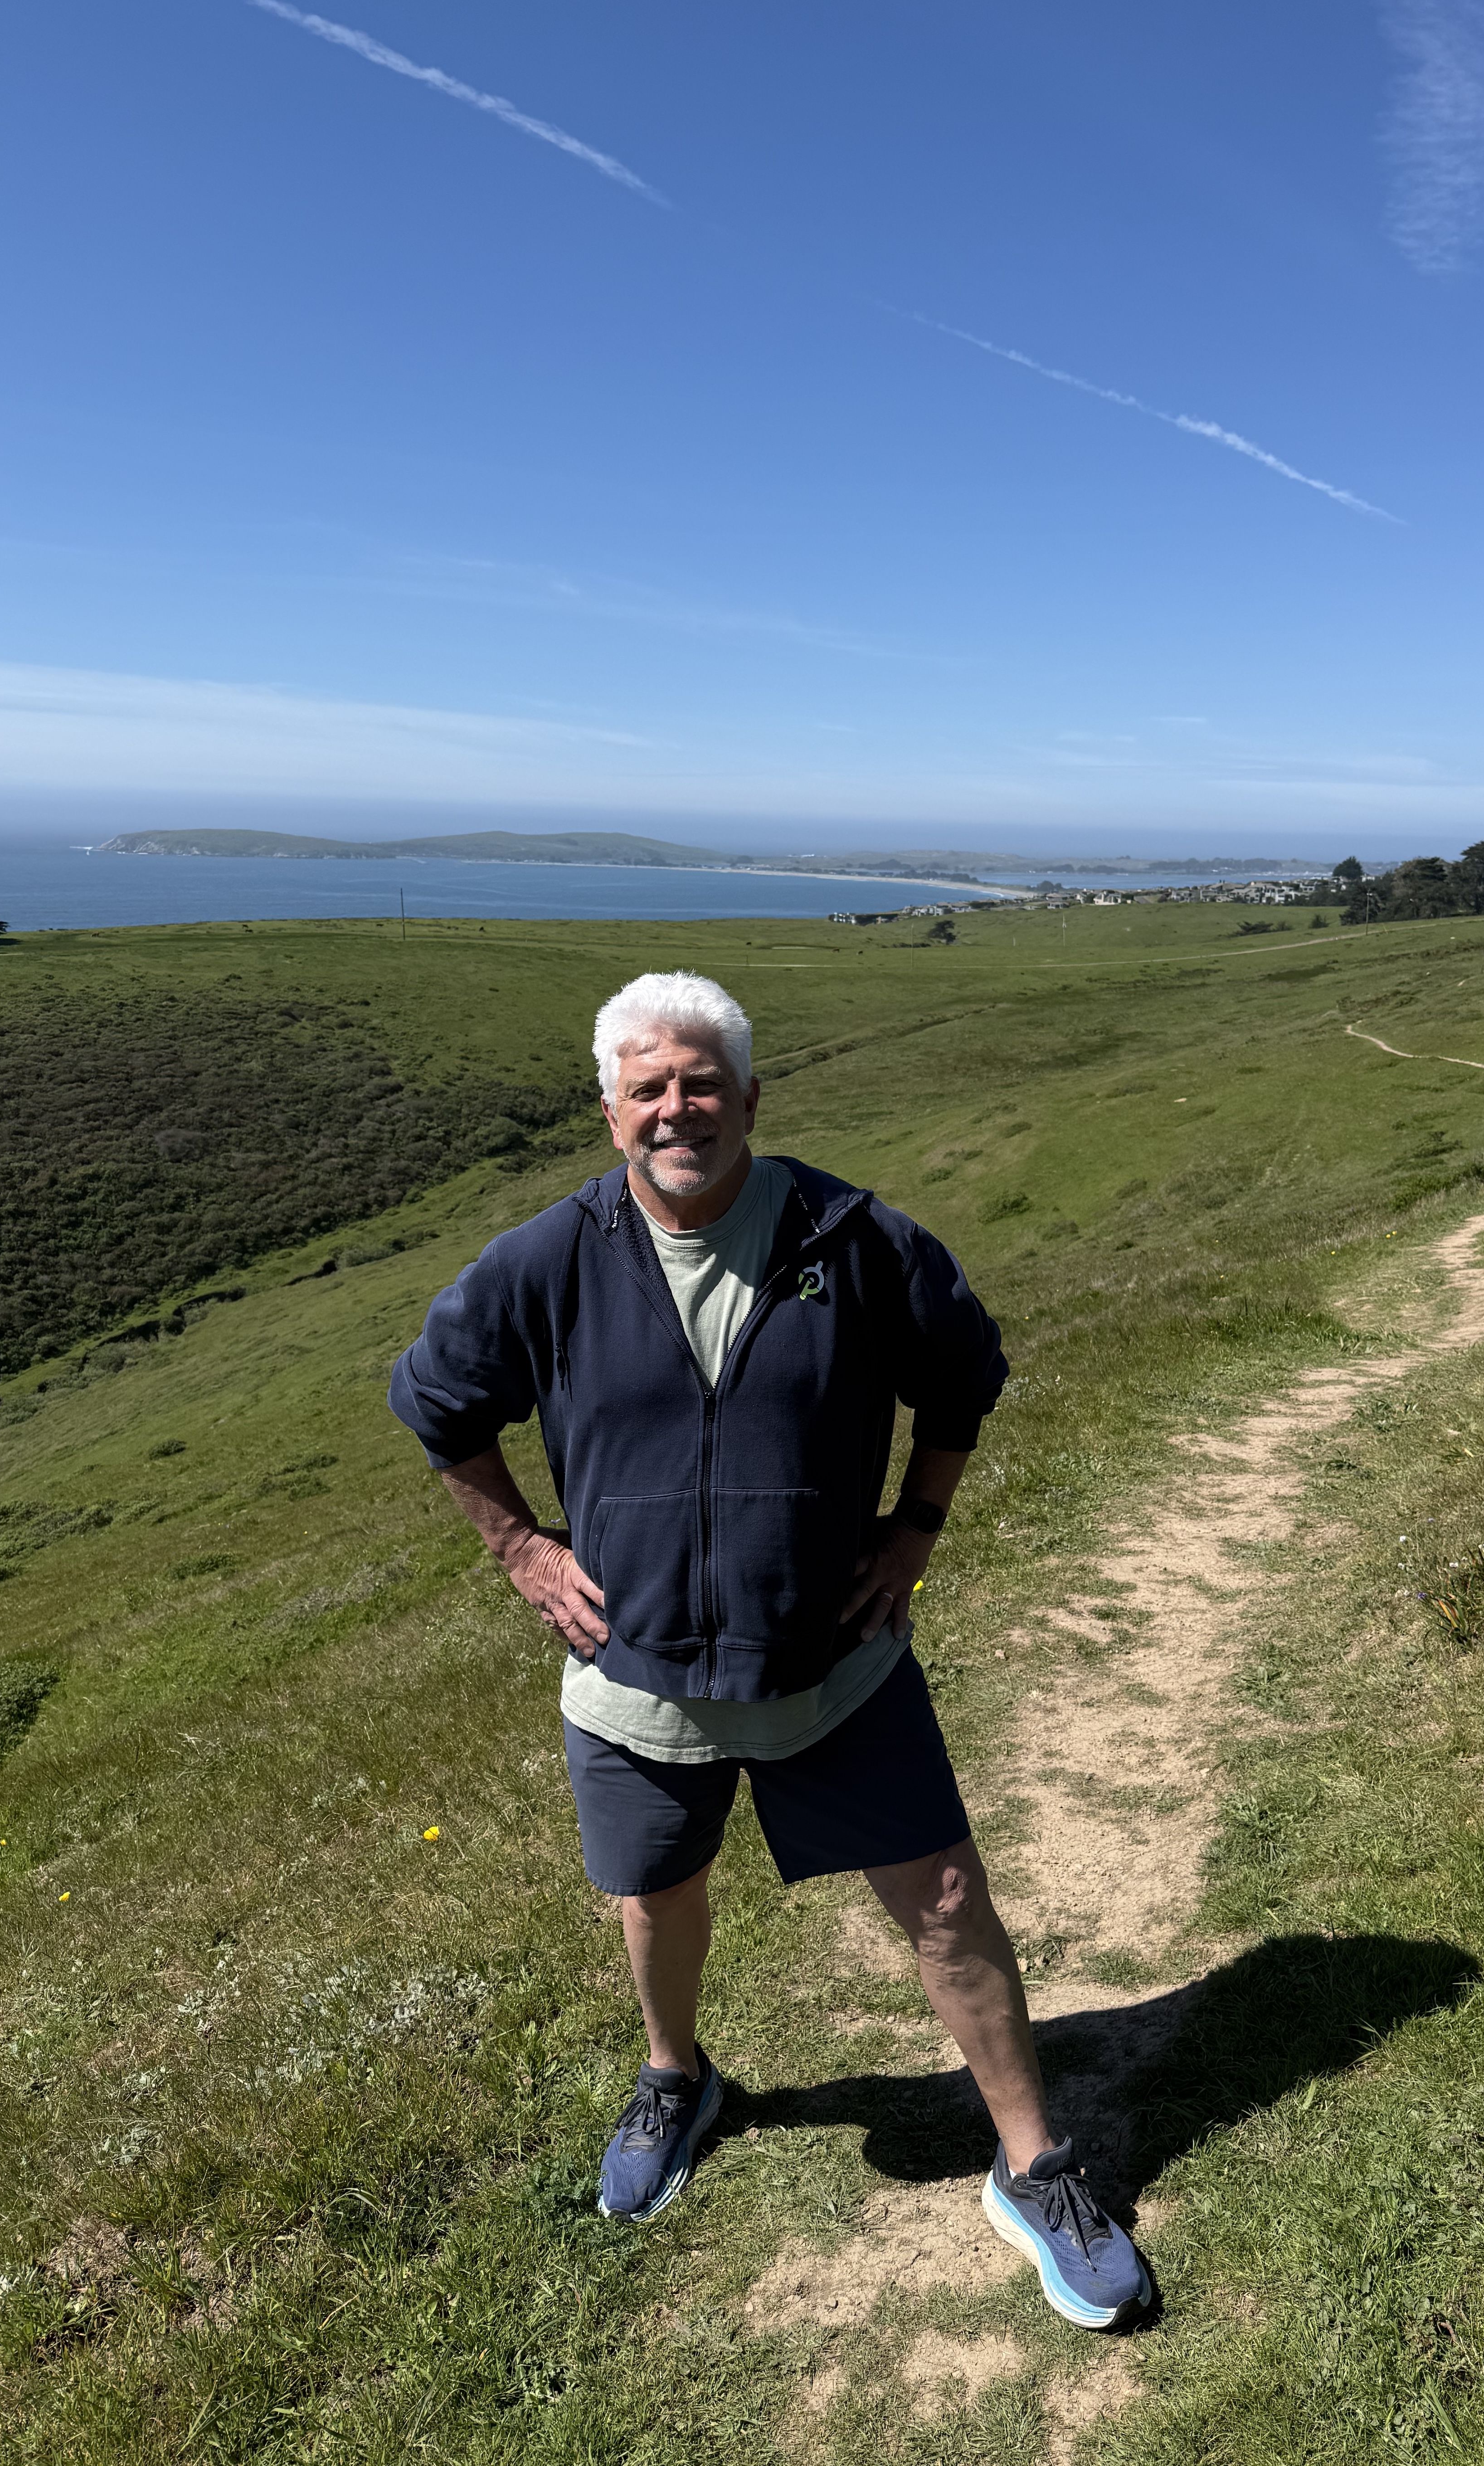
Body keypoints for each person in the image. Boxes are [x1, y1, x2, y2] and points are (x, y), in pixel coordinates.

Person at [389, 970, 1150, 2327]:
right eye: (647, 1088)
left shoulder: (850, 1236)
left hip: (832, 1661)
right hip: (636, 1683)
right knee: (655, 1898)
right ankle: (677, 2078)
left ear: (748, 1096)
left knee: (946, 1908)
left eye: (699, 1082)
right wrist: (519, 1547)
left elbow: (962, 1373)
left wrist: (916, 1526)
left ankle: (1034, 2163)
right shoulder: (547, 1259)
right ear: (610, 1107)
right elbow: (438, 1401)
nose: (675, 1109)